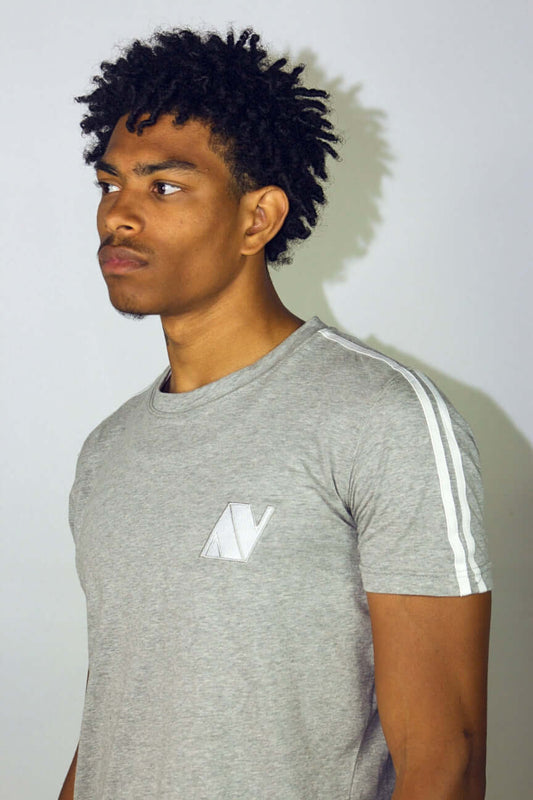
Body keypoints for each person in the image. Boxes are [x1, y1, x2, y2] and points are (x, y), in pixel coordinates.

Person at [59, 27, 492, 800]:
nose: (117, 215)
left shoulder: (381, 418)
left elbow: (443, 761)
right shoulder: (108, 452)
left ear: (257, 219)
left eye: (163, 187)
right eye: (108, 184)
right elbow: (119, 720)